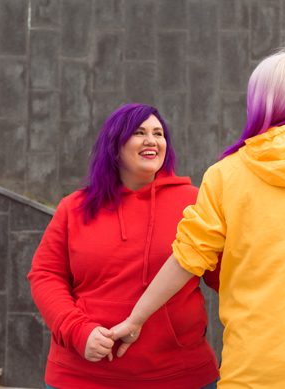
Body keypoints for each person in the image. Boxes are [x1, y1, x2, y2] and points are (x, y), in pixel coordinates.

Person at [110, 47, 285, 388]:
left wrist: (136, 319)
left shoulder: (226, 175)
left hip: (258, 372)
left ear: (259, 101)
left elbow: (187, 258)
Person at [28, 104, 220, 389]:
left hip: (181, 375)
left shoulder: (194, 202)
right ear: (114, 145)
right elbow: (45, 276)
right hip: (81, 376)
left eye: (158, 133)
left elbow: (226, 276)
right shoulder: (75, 207)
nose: (152, 140)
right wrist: (78, 332)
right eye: (139, 132)